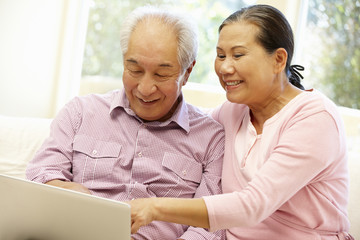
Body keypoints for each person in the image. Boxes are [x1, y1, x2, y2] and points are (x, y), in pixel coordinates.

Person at [129, 4, 354, 240]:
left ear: (278, 59)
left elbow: (252, 205)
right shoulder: (234, 111)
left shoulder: (315, 118)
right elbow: (190, 128)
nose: (225, 67)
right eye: (220, 55)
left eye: (238, 55)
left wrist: (154, 208)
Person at [26, 6, 226, 240]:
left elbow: (211, 224)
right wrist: (65, 189)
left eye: (161, 75)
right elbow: (41, 175)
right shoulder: (79, 112)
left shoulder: (212, 139)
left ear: (187, 71)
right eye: (135, 69)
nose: (145, 88)